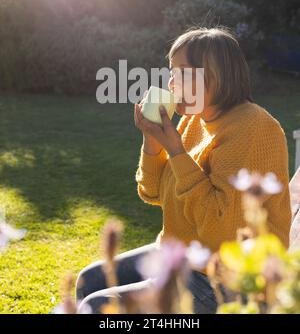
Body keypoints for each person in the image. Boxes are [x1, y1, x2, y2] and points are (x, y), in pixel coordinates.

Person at [76, 26, 292, 314]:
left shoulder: (255, 129)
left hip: (223, 279)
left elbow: (219, 231)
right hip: (182, 255)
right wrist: (152, 142)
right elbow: (152, 192)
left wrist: (176, 151)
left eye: (183, 74)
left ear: (217, 77)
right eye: (172, 72)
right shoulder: (194, 120)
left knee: (95, 306)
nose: (173, 83)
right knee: (88, 281)